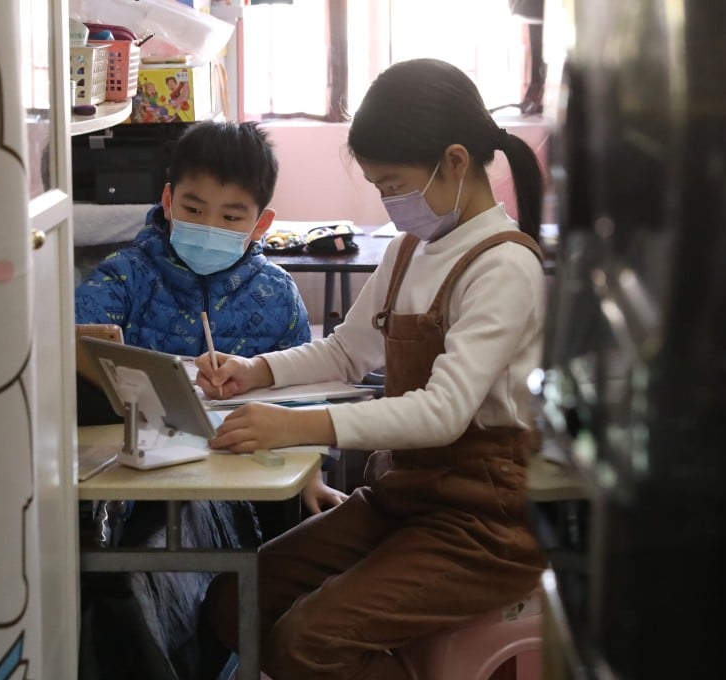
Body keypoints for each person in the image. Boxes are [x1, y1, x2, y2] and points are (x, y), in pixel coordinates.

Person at [197, 58, 548, 679]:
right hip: (409, 495)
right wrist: (257, 371)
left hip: (486, 523)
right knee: (235, 605)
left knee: (305, 642)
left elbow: (442, 413)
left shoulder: (504, 267)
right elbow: (344, 351)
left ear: (457, 162)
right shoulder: (413, 248)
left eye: (393, 185)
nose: (389, 205)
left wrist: (297, 426)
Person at [74, 121, 346, 679]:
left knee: (210, 564)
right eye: (194, 210)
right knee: (127, 572)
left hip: (241, 478)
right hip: (136, 479)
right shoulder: (127, 275)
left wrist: (312, 475)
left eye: (230, 217)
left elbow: (306, 398)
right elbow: (78, 341)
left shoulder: (276, 296)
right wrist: (167, 374)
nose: (209, 226)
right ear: (168, 200)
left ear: (260, 224)